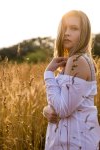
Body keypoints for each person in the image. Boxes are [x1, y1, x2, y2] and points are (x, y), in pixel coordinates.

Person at [43, 10, 100, 150]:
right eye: (64, 28)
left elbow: (62, 110)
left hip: (76, 144)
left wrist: (48, 73)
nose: (66, 33)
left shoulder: (78, 61)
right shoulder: (73, 62)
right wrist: (45, 110)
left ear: (85, 33)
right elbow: (61, 104)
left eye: (74, 28)